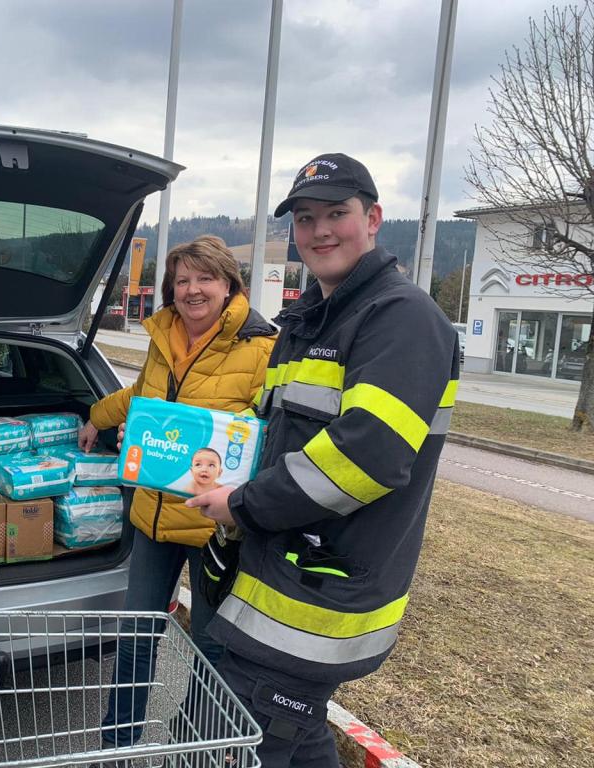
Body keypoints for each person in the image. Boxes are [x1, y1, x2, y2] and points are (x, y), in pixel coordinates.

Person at [187, 154, 460, 767]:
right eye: (306, 218)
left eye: (337, 213)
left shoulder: (402, 318)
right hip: (273, 576)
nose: (320, 231)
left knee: (240, 738)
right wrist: (195, 457)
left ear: (374, 219)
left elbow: (367, 457)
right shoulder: (308, 320)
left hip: (317, 594)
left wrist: (240, 503)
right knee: (291, 735)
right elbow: (267, 433)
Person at [77, 235, 276, 753]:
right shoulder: (163, 334)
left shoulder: (262, 348)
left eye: (205, 278)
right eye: (182, 280)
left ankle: (194, 749)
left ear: (229, 285)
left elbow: (269, 431)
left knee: (210, 649)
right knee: (136, 638)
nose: (192, 290)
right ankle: (116, 750)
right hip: (154, 517)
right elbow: (142, 395)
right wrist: (98, 418)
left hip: (217, 526)